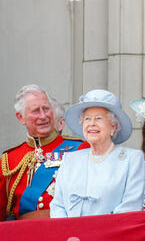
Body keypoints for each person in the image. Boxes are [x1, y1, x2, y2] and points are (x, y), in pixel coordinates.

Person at [50, 89, 145, 217]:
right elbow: (57, 205)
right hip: (69, 234)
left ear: (113, 126)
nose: (92, 124)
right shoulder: (70, 159)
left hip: (110, 234)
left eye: (98, 118)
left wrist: (97, 231)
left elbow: (130, 206)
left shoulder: (132, 159)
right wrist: (67, 229)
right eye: (87, 119)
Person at [0, 85, 87, 221]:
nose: (43, 115)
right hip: (25, 235)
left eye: (46, 109)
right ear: (21, 117)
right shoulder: (9, 160)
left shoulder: (79, 149)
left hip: (67, 230)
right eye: (36, 111)